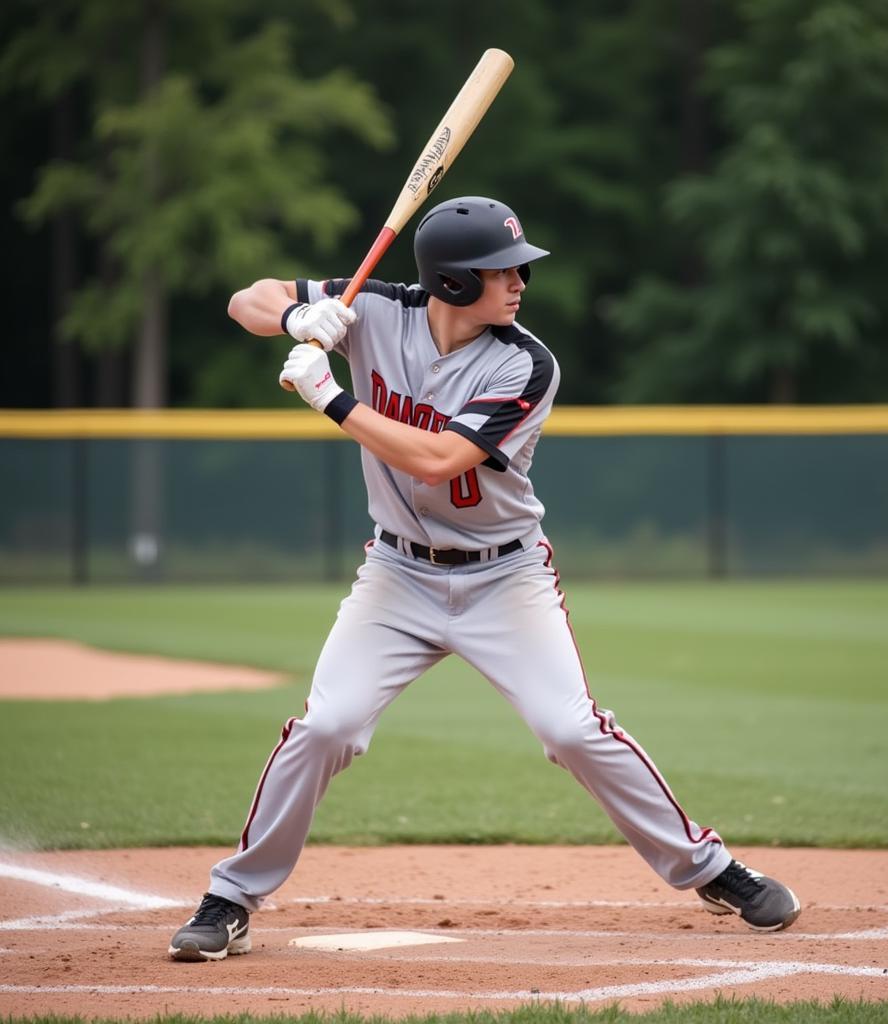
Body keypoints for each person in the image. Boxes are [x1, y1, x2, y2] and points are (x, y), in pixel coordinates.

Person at [168, 196, 801, 962]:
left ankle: (712, 870)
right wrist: (301, 321)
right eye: (503, 271)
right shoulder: (374, 307)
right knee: (327, 726)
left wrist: (329, 397)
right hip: (397, 573)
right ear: (454, 282)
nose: (520, 283)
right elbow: (248, 298)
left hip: (506, 578)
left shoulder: (525, 362)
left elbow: (437, 460)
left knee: (571, 729)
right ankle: (230, 898)